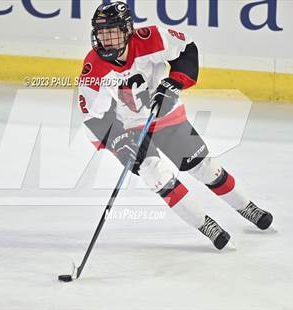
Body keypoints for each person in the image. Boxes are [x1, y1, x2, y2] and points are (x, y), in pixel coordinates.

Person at [77, 1, 273, 250]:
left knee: (205, 168)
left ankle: (247, 208)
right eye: (101, 32)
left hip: (167, 118)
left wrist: (174, 82)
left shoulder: (152, 38)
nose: (106, 38)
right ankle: (207, 226)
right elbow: (93, 117)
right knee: (154, 174)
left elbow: (187, 50)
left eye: (112, 31)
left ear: (127, 29)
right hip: (129, 129)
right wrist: (117, 141)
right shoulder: (93, 68)